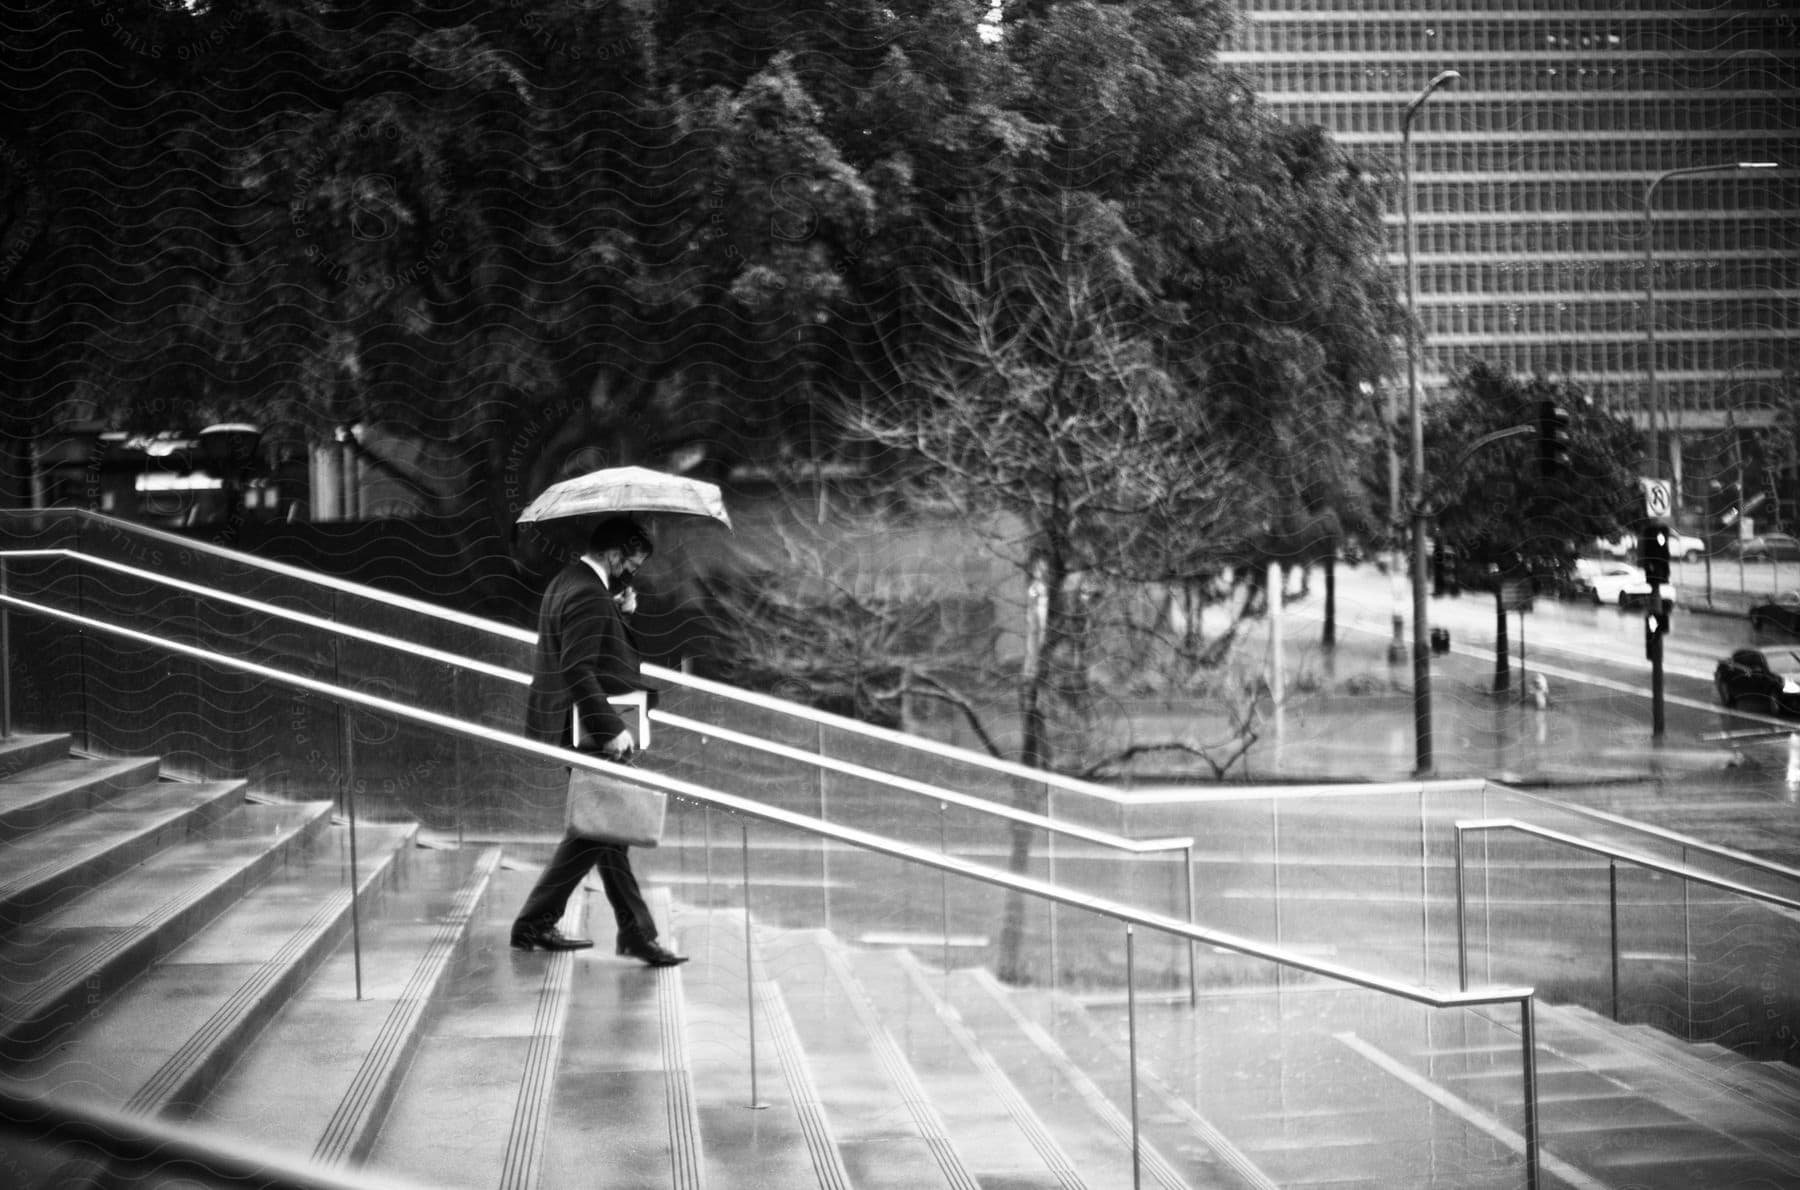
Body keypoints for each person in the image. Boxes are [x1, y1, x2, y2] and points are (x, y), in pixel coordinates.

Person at [509, 516, 687, 966]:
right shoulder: (588, 594)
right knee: (595, 832)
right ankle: (538, 923)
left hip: (575, 724)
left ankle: (633, 932)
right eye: (632, 562)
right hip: (588, 730)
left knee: (606, 833)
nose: (633, 571)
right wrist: (611, 729)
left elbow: (595, 650)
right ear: (614, 554)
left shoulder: (573, 583)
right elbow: (578, 667)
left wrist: (620, 613)